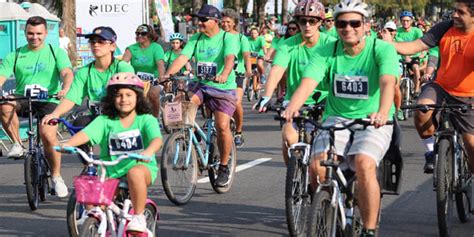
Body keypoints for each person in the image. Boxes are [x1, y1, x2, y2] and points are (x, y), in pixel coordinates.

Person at [282, 0, 398, 236]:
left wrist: (383, 111)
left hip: (374, 120)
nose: (348, 28)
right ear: (334, 26)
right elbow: (309, 81)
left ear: (366, 25)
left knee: (364, 163)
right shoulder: (327, 50)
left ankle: (368, 229)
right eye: (341, 23)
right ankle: (327, 209)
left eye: (354, 23)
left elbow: (388, 82)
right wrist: (292, 108)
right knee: (316, 167)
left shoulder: (381, 49)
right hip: (336, 118)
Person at [61, 72, 162, 234]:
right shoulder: (104, 121)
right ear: (111, 99)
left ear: (138, 98)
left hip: (141, 169)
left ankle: (138, 216)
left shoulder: (145, 119)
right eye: (119, 95)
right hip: (111, 172)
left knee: (134, 173)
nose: (124, 99)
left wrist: (148, 152)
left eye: (129, 95)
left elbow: (156, 140)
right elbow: (86, 134)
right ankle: (97, 221)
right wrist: (67, 144)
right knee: (91, 187)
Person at [381, 0, 474, 174]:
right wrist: (388, 44)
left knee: (471, 145)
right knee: (422, 110)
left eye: (461, 12)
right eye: (454, 10)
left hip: (469, 95)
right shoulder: (444, 28)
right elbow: (415, 46)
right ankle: (431, 150)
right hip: (441, 87)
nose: (454, 15)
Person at [164, 4, 239, 187]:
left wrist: (224, 74)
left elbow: (229, 59)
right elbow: (182, 58)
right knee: (180, 106)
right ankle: (191, 138)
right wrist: (167, 75)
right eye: (199, 19)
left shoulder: (227, 38)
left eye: (204, 20)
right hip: (201, 85)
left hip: (223, 87)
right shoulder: (196, 39)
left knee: (222, 126)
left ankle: (223, 166)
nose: (201, 23)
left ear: (216, 21)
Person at [255, 0, 336, 164]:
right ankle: (295, 178)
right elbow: (277, 70)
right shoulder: (287, 44)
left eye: (312, 21)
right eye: (302, 21)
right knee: (288, 138)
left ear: (320, 22)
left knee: (326, 152)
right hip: (294, 102)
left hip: (325, 101)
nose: (307, 25)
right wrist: (267, 96)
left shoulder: (330, 44)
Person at [0, 16, 74, 197]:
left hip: (49, 99)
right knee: (4, 105)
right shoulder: (15, 54)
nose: (35, 37)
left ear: (46, 33)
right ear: (25, 33)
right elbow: (2, 76)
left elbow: (66, 72)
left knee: (48, 135)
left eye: (39, 34)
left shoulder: (55, 51)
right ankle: (18, 144)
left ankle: (56, 177)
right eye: (30, 34)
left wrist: (64, 88)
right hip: (24, 97)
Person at [42, 26, 135, 131]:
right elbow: (71, 97)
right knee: (79, 123)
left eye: (101, 41)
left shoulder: (123, 68)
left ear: (112, 46)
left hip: (120, 117)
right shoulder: (84, 72)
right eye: (92, 42)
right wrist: (55, 114)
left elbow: (130, 98)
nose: (96, 45)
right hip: (97, 118)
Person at [221, 8, 252, 147]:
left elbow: (246, 55)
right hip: (220, 75)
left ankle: (239, 131)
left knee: (237, 103)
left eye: (228, 22)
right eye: (223, 21)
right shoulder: (218, 36)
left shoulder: (241, 38)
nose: (225, 24)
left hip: (237, 74)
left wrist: (249, 69)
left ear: (234, 23)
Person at [122, 24, 165, 117]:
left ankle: (155, 117)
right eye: (137, 34)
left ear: (149, 35)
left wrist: (161, 77)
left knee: (153, 94)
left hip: (154, 80)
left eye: (143, 34)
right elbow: (123, 64)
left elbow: (160, 64)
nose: (139, 36)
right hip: (137, 81)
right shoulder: (131, 48)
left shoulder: (156, 47)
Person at [395, 11, 424, 95]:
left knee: (416, 68)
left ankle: (416, 89)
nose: (405, 22)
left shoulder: (417, 31)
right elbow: (398, 44)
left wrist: (422, 54)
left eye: (407, 21)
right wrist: (405, 56)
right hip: (401, 57)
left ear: (411, 21)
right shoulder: (398, 31)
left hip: (414, 56)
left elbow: (421, 44)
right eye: (403, 21)